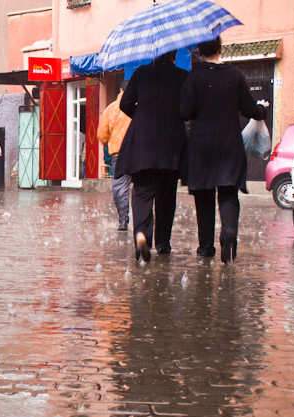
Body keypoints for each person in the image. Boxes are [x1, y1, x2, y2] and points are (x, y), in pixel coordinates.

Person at [180, 36, 268, 263]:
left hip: (201, 147)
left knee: (204, 198)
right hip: (230, 145)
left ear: (199, 50)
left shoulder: (194, 76)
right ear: (220, 48)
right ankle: (229, 231)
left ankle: (206, 248)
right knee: (228, 194)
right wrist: (261, 111)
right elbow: (249, 109)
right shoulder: (235, 76)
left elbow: (185, 111)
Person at [115, 50, 188, 262]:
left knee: (142, 193)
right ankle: (163, 243)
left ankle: (142, 238)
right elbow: (187, 110)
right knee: (167, 196)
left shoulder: (141, 73)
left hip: (142, 146)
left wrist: (143, 116)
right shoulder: (182, 76)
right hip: (171, 148)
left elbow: (125, 104)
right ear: (174, 54)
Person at [97, 81, 132, 231]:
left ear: (120, 89)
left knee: (120, 187)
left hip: (118, 154)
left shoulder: (110, 109)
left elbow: (102, 135)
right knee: (144, 188)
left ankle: (123, 220)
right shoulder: (139, 106)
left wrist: (109, 142)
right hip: (138, 152)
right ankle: (144, 222)